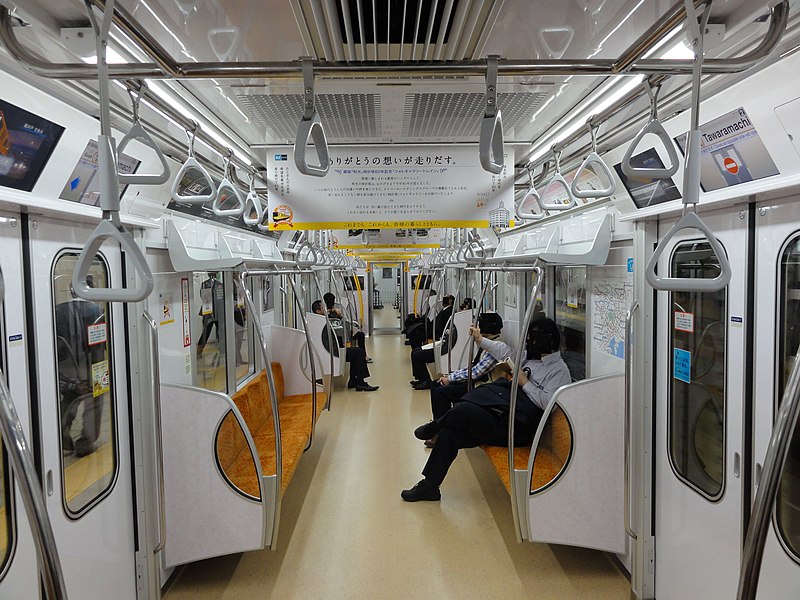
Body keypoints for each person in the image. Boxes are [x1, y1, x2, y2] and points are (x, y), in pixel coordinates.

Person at [401, 317, 572, 502]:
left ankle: (436, 426)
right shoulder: (530, 358)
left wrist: (525, 383)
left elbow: (550, 404)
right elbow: (505, 352)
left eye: (533, 340)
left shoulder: (558, 371)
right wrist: (480, 340)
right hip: (502, 416)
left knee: (464, 410)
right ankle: (430, 486)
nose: (529, 345)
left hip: (517, 428)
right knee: (450, 434)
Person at [422, 312, 511, 447]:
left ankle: (441, 431)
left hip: (483, 387)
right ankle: (439, 425)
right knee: (436, 385)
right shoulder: (485, 344)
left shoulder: (496, 347)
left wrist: (451, 379)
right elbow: (472, 367)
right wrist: (450, 376)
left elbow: (477, 372)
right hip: (474, 382)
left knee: (441, 392)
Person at [313, 300, 378, 392]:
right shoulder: (321, 322)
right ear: (318, 311)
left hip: (330, 349)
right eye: (323, 307)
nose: (326, 309)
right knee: (359, 352)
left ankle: (354, 381)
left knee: (356, 352)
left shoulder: (321, 321)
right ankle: (359, 383)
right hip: (330, 352)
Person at [409, 294, 455, 389]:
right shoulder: (444, 310)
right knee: (415, 350)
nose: (443, 301)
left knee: (417, 354)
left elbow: (442, 328)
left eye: (446, 299)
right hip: (436, 335)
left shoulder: (450, 313)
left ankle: (425, 381)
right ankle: (421, 378)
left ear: (451, 301)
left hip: (440, 341)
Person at [324, 292, 371, 362]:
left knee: (361, 335)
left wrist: (339, 314)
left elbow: (345, 319)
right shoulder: (323, 310)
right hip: (335, 332)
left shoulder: (337, 307)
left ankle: (364, 355)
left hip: (343, 329)